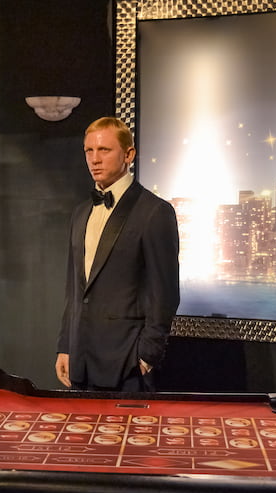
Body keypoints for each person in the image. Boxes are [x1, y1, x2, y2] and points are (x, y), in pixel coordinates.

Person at [55, 117, 180, 392]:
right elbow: (74, 290)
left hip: (126, 362)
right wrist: (65, 346)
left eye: (104, 150)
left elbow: (166, 292)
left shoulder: (154, 212)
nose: (94, 159)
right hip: (80, 359)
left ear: (129, 154)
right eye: (89, 151)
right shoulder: (80, 213)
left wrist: (147, 356)